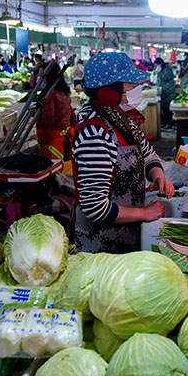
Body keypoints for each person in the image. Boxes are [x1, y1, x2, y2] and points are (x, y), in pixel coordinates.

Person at [70, 52, 174, 253]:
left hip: (126, 235)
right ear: (108, 92)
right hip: (101, 247)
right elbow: (94, 206)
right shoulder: (96, 134)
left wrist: (157, 175)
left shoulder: (123, 119)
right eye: (131, 85)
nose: (137, 88)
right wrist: (144, 214)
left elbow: (148, 154)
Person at [36, 62, 76, 160]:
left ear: (50, 76)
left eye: (42, 76)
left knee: (53, 167)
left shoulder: (50, 96)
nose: (41, 79)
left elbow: (48, 119)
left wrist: (44, 142)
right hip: (65, 139)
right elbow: (73, 117)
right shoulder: (63, 93)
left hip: (53, 141)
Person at [154, 57, 176, 128]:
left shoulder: (167, 69)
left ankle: (169, 123)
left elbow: (166, 78)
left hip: (169, 91)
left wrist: (159, 73)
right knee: (164, 108)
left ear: (160, 63)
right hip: (164, 91)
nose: (157, 66)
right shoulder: (162, 69)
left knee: (168, 108)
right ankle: (164, 122)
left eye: (157, 65)